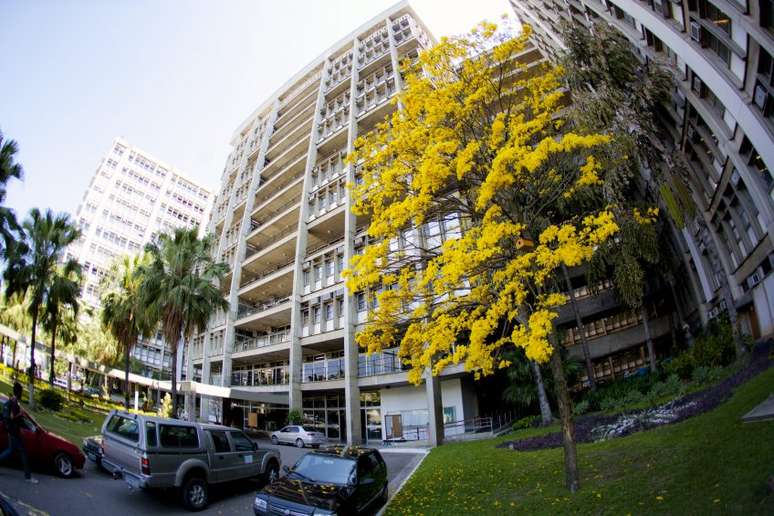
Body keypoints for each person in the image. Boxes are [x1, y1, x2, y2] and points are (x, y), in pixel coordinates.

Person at [0, 382, 38, 483]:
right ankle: (28, 477)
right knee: (24, 452)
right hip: (14, 431)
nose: (22, 393)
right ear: (19, 392)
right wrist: (20, 414)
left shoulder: (12, 400)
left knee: (10, 450)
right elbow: (12, 417)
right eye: (21, 391)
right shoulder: (14, 402)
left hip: (11, 430)